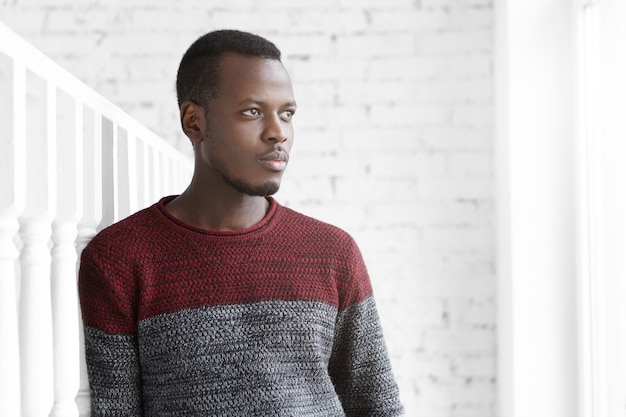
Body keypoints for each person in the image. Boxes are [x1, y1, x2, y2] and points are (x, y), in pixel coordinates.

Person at [78, 29, 404, 416]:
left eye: (287, 113)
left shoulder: (332, 252)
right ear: (194, 122)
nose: (278, 132)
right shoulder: (120, 258)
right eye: (252, 111)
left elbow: (376, 403)